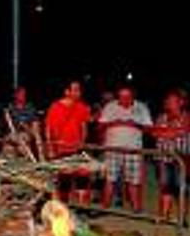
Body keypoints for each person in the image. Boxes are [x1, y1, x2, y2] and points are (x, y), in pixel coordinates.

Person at [98, 84, 153, 212]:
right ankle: (104, 207)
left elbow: (149, 129)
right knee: (109, 179)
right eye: (121, 96)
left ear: (133, 96)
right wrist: (113, 123)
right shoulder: (110, 106)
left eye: (127, 96)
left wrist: (135, 125)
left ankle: (136, 209)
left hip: (134, 149)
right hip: (112, 148)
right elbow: (99, 127)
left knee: (133, 181)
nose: (124, 99)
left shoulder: (142, 107)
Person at [45, 81, 92, 204]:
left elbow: (84, 127)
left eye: (79, 89)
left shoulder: (82, 107)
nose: (79, 92)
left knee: (82, 176)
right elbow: (48, 128)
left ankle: (82, 207)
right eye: (75, 89)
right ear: (67, 92)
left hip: (76, 147)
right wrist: (50, 148)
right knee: (64, 179)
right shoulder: (55, 106)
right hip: (60, 148)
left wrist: (82, 142)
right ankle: (64, 207)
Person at [150, 90, 190, 219]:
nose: (168, 103)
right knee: (165, 187)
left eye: (172, 100)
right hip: (162, 157)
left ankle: (182, 217)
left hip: (181, 158)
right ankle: (164, 215)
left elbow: (182, 131)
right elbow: (154, 133)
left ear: (181, 102)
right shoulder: (161, 117)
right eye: (168, 100)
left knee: (181, 188)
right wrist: (172, 131)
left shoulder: (187, 116)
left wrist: (166, 131)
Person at [4, 86, 41, 159]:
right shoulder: (10, 108)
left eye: (24, 94)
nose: (23, 96)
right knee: (8, 148)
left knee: (22, 143)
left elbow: (35, 126)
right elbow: (9, 125)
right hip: (13, 134)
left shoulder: (30, 108)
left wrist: (26, 127)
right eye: (20, 94)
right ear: (15, 95)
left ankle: (31, 159)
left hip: (26, 133)